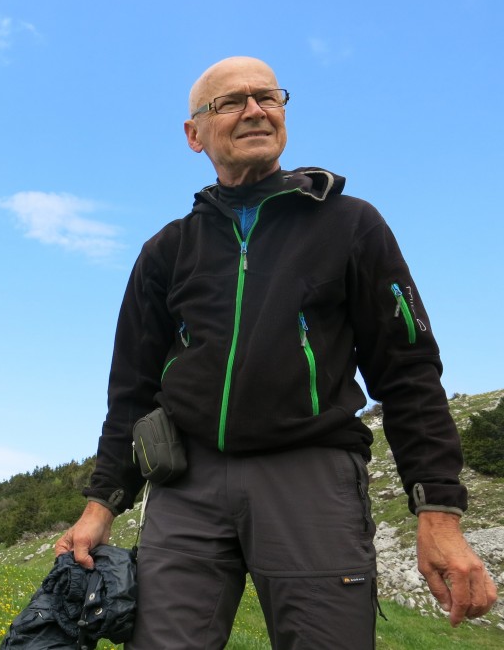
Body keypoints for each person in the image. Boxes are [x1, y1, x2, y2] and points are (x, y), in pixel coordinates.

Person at [55, 57, 498, 648]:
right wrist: (102, 504)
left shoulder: (351, 225)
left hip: (311, 478)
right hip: (186, 485)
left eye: (269, 97)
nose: (256, 110)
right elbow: (131, 391)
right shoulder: (166, 251)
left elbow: (409, 371)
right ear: (194, 134)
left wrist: (438, 512)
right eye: (231, 102)